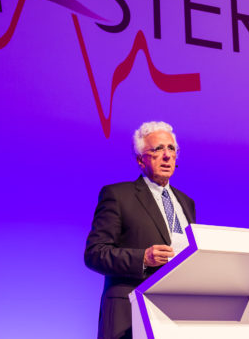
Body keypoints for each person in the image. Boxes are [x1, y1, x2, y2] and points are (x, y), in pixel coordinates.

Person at [84, 121, 196, 339]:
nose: (167, 155)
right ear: (140, 160)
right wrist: (142, 258)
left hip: (175, 316)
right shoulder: (118, 195)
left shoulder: (187, 203)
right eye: (158, 149)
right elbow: (94, 254)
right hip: (129, 317)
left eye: (171, 148)